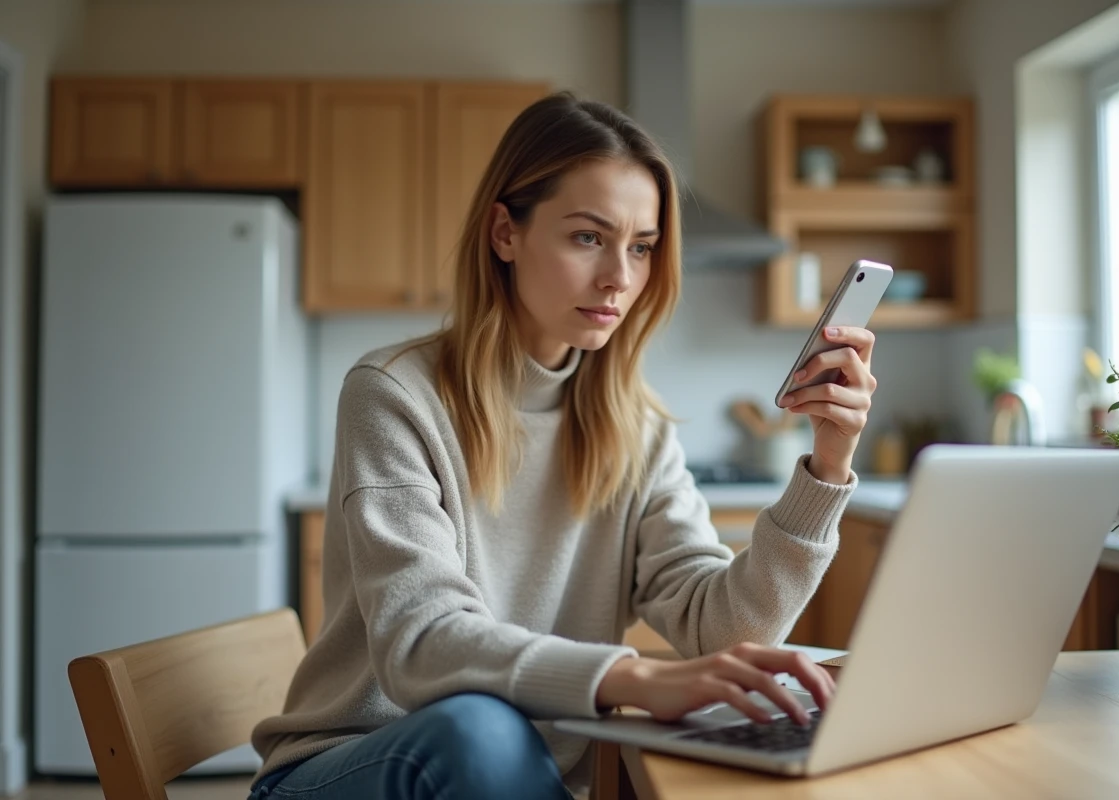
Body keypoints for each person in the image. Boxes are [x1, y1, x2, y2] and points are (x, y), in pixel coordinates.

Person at [248, 91, 877, 800]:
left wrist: (827, 465)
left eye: (641, 248)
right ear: (504, 233)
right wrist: (633, 676)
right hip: (358, 763)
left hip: (522, 782)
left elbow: (720, 630)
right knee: (481, 731)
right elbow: (420, 642)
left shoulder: (636, 426)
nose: (619, 277)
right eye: (588, 237)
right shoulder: (394, 394)